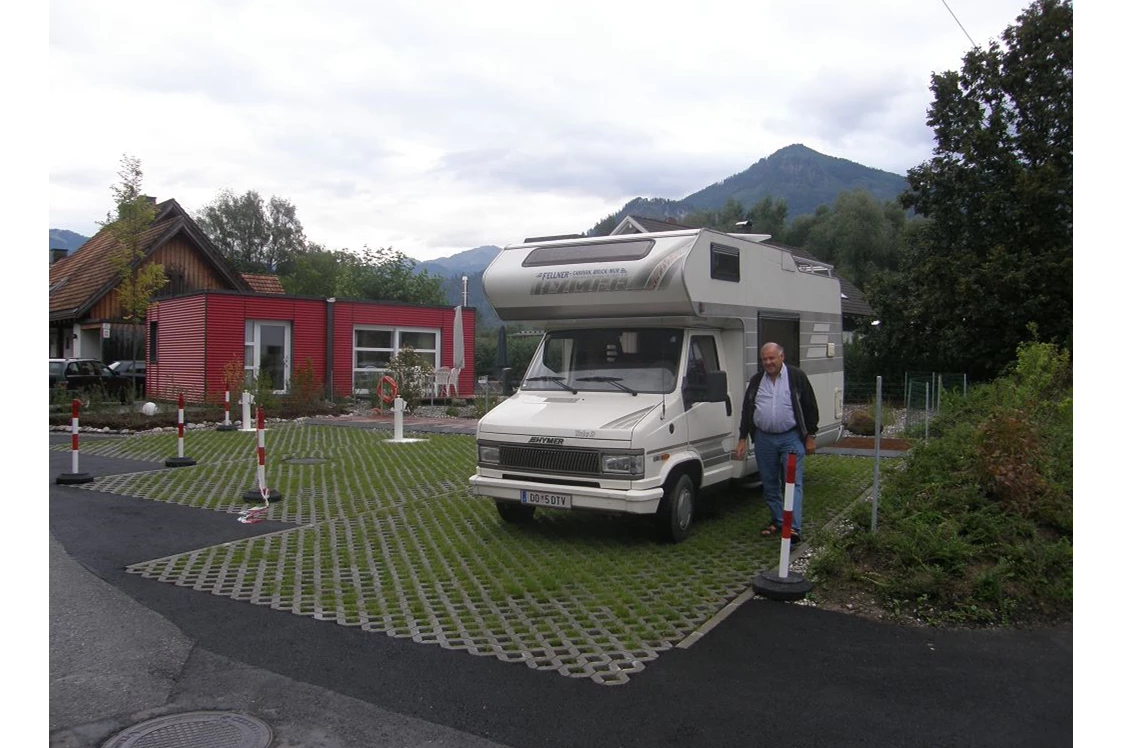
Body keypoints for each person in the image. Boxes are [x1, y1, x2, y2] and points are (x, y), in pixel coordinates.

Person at [734, 342, 819, 544]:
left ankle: (794, 528)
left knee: (792, 483)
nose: (768, 362)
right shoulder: (756, 381)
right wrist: (742, 437)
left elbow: (810, 406)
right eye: (764, 359)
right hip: (764, 439)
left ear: (782, 357)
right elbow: (747, 410)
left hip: (790, 437)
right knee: (770, 484)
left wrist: (810, 436)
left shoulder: (797, 377)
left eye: (772, 358)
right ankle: (780, 521)